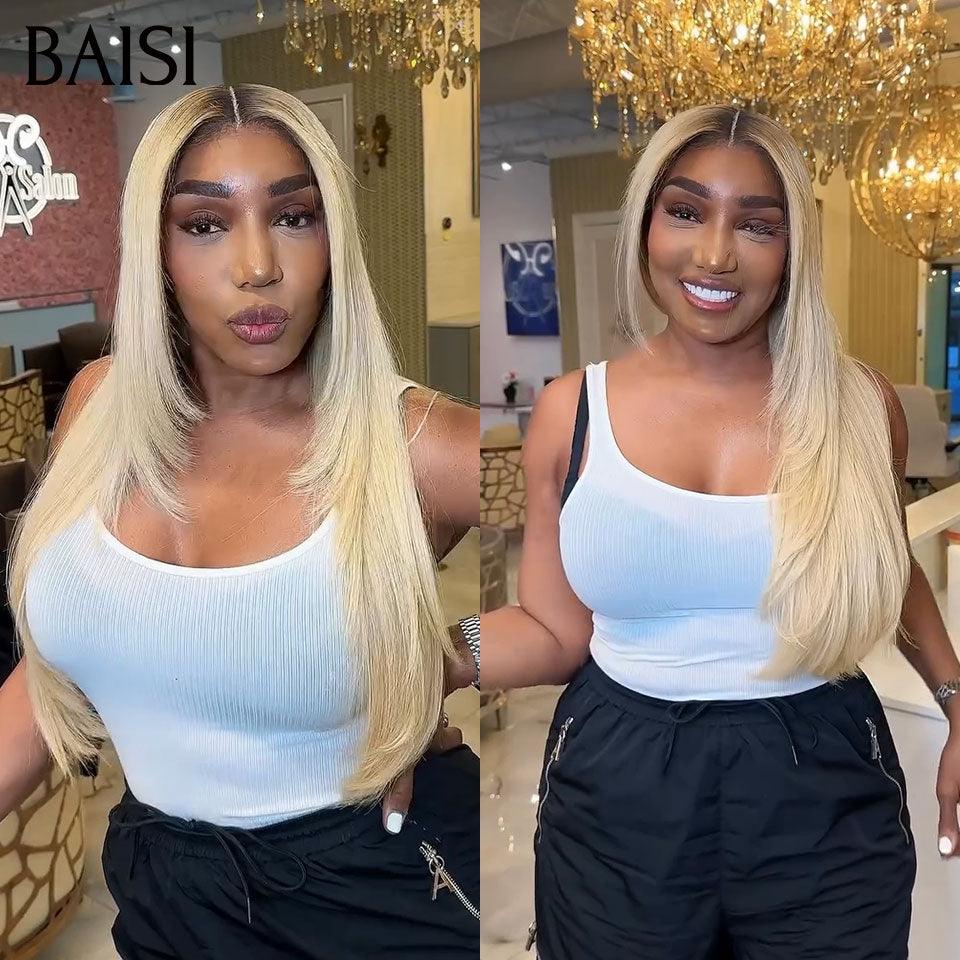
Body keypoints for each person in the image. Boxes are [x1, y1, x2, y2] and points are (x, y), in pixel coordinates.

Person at [0, 83, 479, 959]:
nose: (258, 265)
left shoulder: (418, 443)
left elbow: (620, 574)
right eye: (205, 224)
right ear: (156, 250)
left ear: (333, 239)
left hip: (375, 896)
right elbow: (46, 681)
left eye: (293, 217)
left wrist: (459, 653)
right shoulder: (98, 406)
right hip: (164, 894)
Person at [481, 104, 960, 960]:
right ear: (646, 225)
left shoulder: (857, 406)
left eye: (757, 225)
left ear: (793, 249)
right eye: (686, 211)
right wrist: (436, 648)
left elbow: (886, 571)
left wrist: (957, 703)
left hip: (823, 774)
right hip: (619, 779)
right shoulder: (569, 413)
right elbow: (550, 632)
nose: (714, 255)